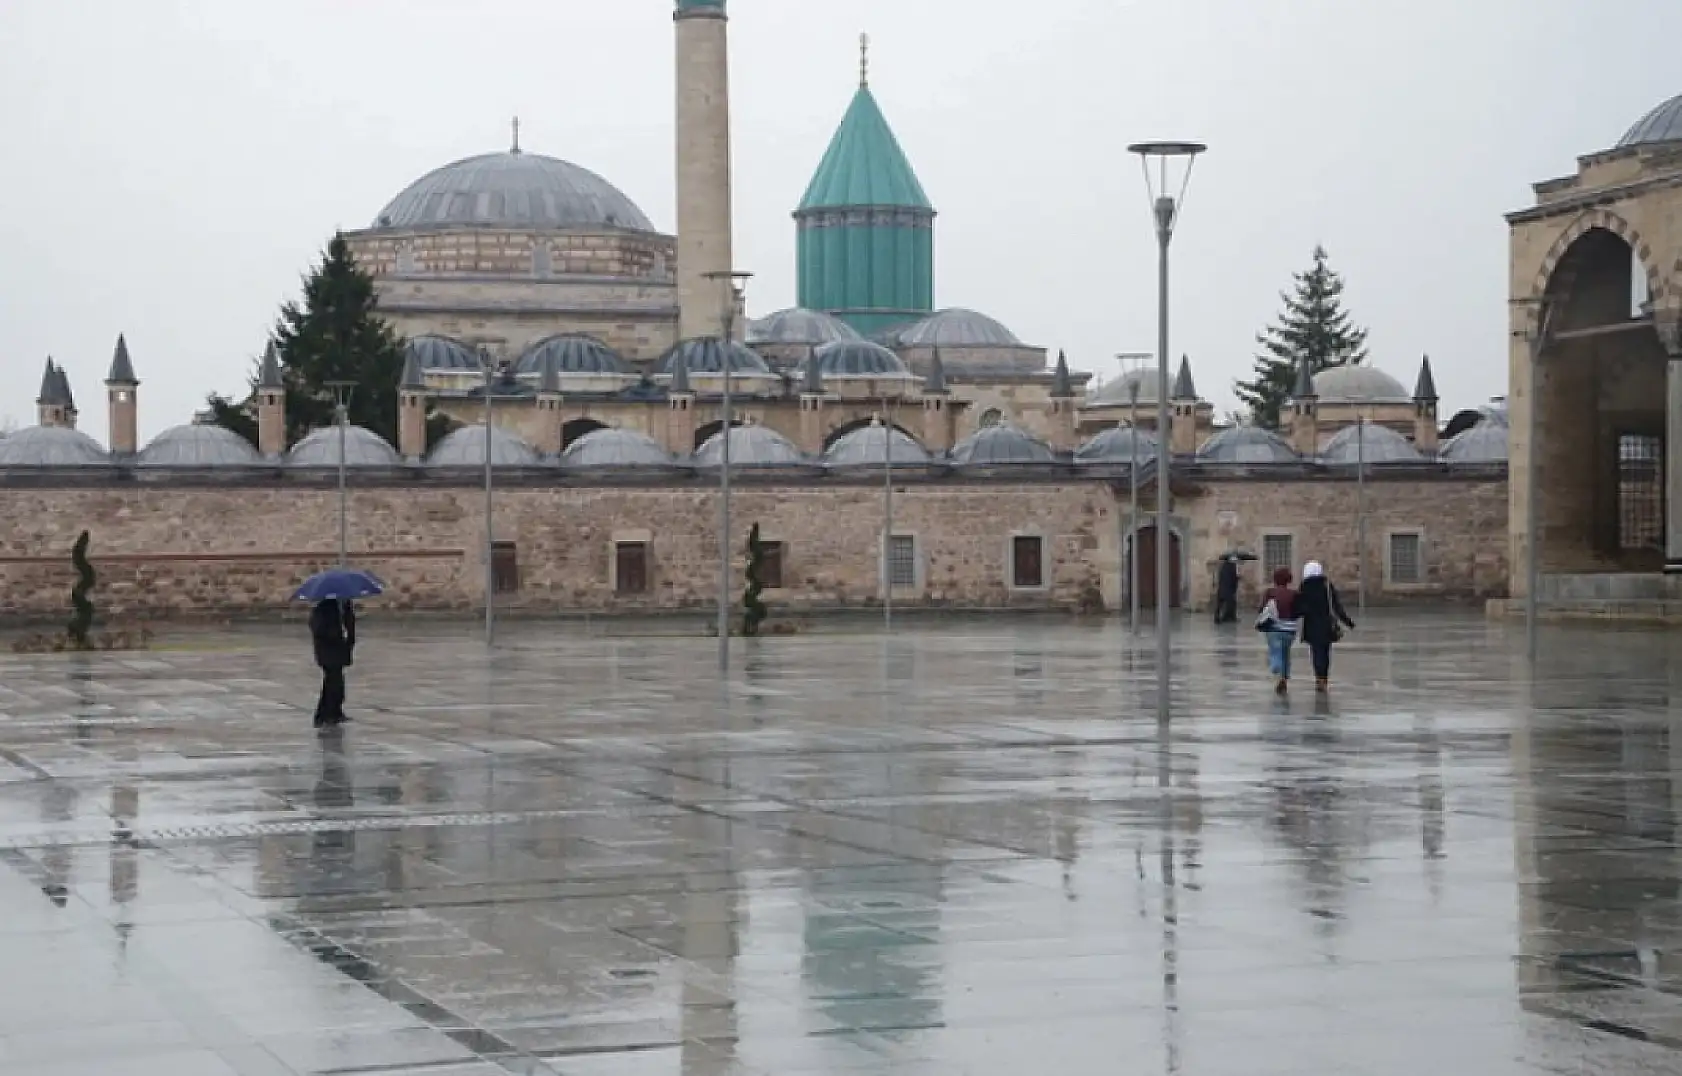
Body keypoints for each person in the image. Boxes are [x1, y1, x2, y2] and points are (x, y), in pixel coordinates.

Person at [1297, 560, 1356, 693]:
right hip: (1326, 624)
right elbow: (1336, 606)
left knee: (1316, 652)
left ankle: (1319, 678)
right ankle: (1324, 678)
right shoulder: (1327, 586)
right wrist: (1348, 622)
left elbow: (1300, 607)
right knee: (1325, 652)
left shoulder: (1304, 586)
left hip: (1311, 625)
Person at [1257, 566, 1300, 695]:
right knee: (1286, 654)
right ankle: (1284, 678)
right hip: (1290, 630)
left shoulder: (1270, 592)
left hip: (1274, 629)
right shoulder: (1294, 594)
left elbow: (1261, 609)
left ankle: (1278, 674)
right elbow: (1299, 611)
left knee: (1276, 652)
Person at [309, 599, 351, 729]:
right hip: (327, 651)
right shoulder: (323, 608)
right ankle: (324, 713)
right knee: (332, 682)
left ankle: (335, 711)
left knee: (337, 681)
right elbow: (318, 629)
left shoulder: (346, 606)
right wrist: (335, 633)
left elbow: (349, 624)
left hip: (340, 649)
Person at [1213, 555, 1240, 624]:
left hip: (1222, 588)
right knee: (1232, 603)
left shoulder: (1222, 567)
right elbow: (1233, 579)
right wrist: (1237, 578)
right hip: (1228, 589)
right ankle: (1229, 617)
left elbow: (1221, 577)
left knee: (1220, 604)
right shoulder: (1232, 567)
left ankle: (1217, 617)